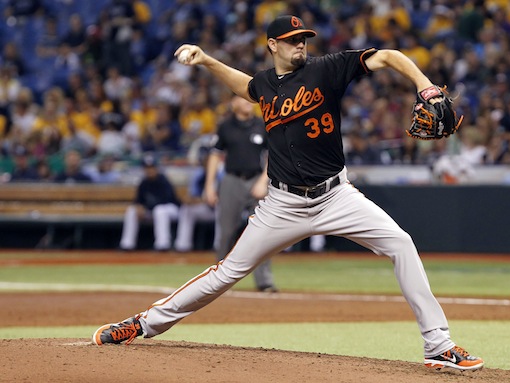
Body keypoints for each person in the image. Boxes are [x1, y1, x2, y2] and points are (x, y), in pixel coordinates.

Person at [93, 15, 483, 372]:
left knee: (401, 243)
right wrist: (208, 60)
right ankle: (141, 324)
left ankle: (438, 345)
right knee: (226, 273)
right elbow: (245, 87)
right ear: (272, 45)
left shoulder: (327, 69)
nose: (301, 45)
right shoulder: (264, 84)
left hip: (336, 196)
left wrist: (426, 86)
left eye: (304, 39)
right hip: (282, 204)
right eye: (292, 40)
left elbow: (389, 56)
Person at [204, 95, 277, 292]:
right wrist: (209, 185)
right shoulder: (225, 126)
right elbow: (215, 155)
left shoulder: (262, 125)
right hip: (232, 180)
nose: (247, 102)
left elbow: (273, 154)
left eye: (249, 99)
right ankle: (217, 282)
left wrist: (264, 180)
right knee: (226, 231)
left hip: (256, 179)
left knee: (262, 232)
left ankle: (265, 281)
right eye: (242, 98)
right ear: (233, 103)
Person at [119, 154, 181, 251]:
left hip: (171, 209)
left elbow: (165, 200)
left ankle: (163, 244)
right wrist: (139, 207)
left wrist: (145, 208)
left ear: (156, 168)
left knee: (159, 210)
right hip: (152, 210)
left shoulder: (163, 181)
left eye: (151, 167)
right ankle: (127, 244)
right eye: (147, 168)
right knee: (132, 211)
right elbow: (138, 200)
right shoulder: (144, 183)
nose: (149, 170)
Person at [173, 147, 216, 252]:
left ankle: (219, 245)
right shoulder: (198, 174)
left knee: (222, 208)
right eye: (204, 159)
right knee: (186, 209)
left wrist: (201, 200)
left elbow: (219, 199)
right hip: (205, 209)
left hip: (219, 209)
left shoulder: (221, 173)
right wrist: (190, 200)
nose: (206, 161)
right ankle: (183, 246)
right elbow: (193, 196)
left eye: (208, 159)